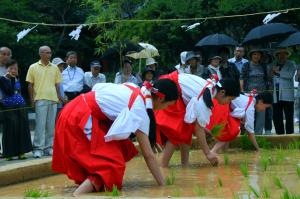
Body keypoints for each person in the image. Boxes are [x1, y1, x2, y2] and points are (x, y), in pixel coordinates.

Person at [52, 79, 179, 195]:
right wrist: (164, 186)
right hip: (78, 117)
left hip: (76, 108)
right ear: (161, 99)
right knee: (112, 165)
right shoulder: (140, 109)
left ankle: (90, 186)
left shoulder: (135, 87)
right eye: (168, 105)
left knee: (121, 148)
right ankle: (76, 195)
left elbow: (98, 88)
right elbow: (148, 155)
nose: (165, 109)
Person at [155, 71, 240, 167]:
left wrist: (204, 129)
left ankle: (185, 166)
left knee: (187, 130)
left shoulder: (210, 90)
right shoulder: (205, 97)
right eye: (229, 99)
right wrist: (208, 154)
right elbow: (198, 127)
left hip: (175, 91)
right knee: (176, 132)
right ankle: (163, 166)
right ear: (222, 92)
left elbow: (196, 123)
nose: (227, 103)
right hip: (171, 90)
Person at [26, 46, 62, 158]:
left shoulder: (55, 67)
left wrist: (59, 97)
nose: (49, 54)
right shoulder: (33, 67)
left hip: (53, 99)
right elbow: (30, 85)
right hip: (40, 99)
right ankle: (38, 148)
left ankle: (49, 147)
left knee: (51, 126)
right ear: (40, 54)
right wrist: (32, 100)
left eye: (50, 52)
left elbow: (57, 84)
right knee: (40, 125)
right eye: (47, 53)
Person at [207, 92, 273, 153]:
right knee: (232, 132)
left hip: (218, 103)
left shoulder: (248, 98)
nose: (264, 110)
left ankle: (223, 151)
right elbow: (250, 132)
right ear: (261, 101)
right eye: (265, 107)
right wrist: (258, 149)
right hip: (220, 106)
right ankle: (213, 152)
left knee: (227, 131)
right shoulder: (250, 108)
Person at [0, 59, 32, 160]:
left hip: (21, 106)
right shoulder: (2, 79)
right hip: (8, 107)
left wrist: (14, 78)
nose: (14, 70)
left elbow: (19, 92)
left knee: (22, 128)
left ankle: (21, 152)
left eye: (15, 68)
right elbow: (9, 92)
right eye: (11, 68)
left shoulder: (17, 78)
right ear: (6, 69)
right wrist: (12, 79)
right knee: (10, 129)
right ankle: (9, 154)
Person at [240, 49, 271, 135]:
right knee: (249, 114)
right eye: (254, 54)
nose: (256, 56)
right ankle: (248, 134)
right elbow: (241, 78)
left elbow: (268, 78)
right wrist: (242, 91)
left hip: (262, 93)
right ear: (251, 56)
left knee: (261, 114)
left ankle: (259, 134)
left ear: (260, 56)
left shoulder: (263, 66)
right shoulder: (246, 65)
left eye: (258, 54)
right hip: (249, 94)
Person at [271, 48, 297, 134]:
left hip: (287, 94)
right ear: (277, 55)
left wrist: (277, 72)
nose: (282, 56)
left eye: (284, 54)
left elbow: (290, 75)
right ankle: (280, 135)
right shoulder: (273, 64)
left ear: (286, 55)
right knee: (277, 117)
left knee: (289, 116)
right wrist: (271, 72)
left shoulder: (291, 64)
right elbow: (270, 76)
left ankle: (290, 135)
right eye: (280, 54)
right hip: (276, 94)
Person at [0, 47, 12, 157]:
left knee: (8, 127)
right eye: (3, 54)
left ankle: (7, 150)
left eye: (8, 54)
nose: (6, 56)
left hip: (7, 102)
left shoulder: (10, 68)